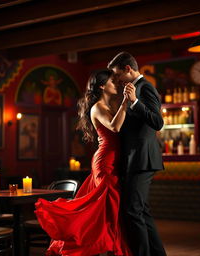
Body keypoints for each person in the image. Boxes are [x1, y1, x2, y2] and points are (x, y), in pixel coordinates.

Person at [35, 69, 132, 256]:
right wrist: (126, 102)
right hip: (105, 161)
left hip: (113, 159)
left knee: (108, 208)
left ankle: (110, 245)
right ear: (102, 85)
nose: (117, 84)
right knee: (108, 204)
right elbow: (115, 126)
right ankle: (110, 247)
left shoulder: (109, 105)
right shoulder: (97, 107)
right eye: (113, 81)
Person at [107, 52, 166, 256]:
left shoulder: (145, 87)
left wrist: (134, 102)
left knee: (132, 211)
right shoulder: (133, 88)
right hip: (135, 159)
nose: (117, 79)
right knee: (142, 212)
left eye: (118, 75)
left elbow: (158, 122)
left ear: (128, 69)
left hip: (143, 158)